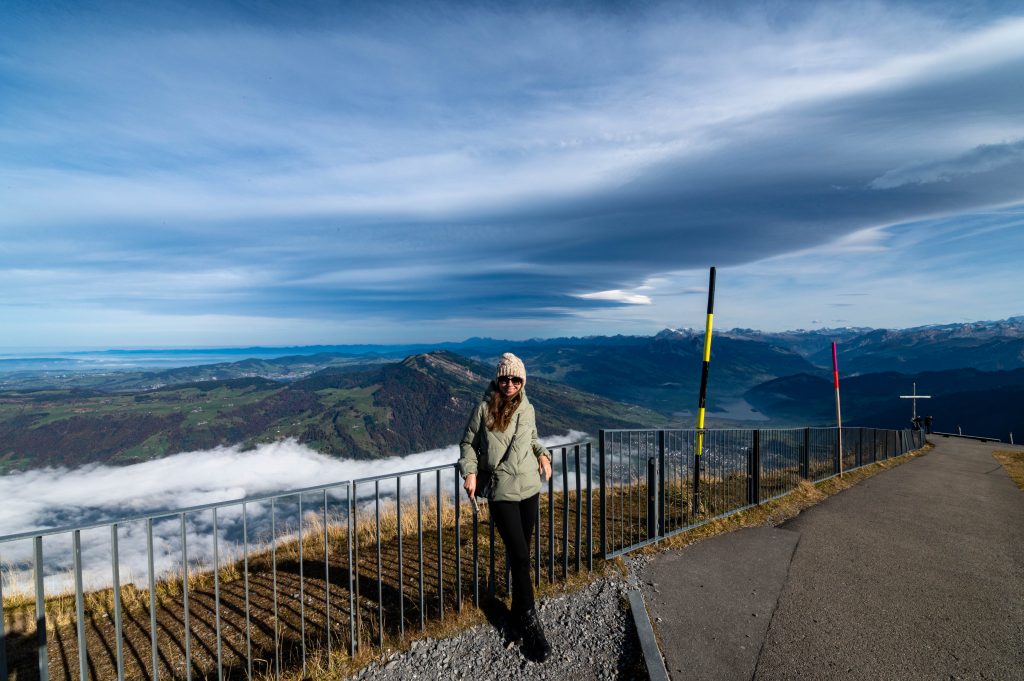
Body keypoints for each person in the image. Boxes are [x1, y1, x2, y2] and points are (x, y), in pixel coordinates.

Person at [459, 352, 553, 661]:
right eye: (504, 378)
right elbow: (468, 445)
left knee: (521, 555)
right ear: (497, 380)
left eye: (515, 379)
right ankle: (530, 621)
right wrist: (470, 472)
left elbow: (534, 439)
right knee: (522, 556)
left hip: (529, 489)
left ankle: (514, 616)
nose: (509, 384)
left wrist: (543, 455)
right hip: (501, 492)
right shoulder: (483, 409)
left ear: (522, 380)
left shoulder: (528, 409)